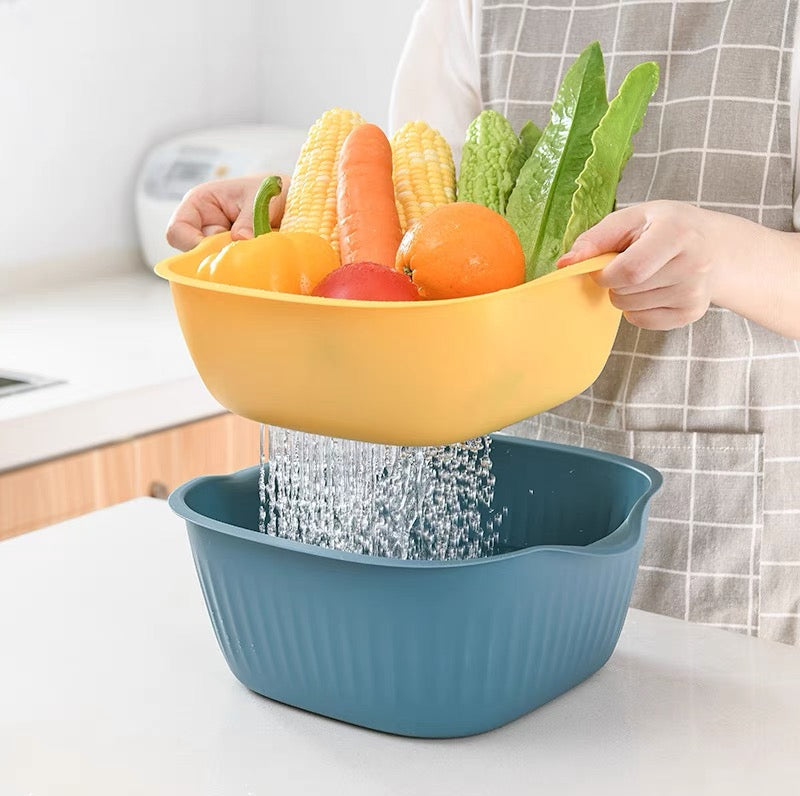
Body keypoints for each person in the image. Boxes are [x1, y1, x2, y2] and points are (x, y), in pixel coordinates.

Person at [166, 0, 800, 645]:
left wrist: (730, 257)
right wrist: (292, 208)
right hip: (485, 465)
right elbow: (407, 243)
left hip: (718, 513)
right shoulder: (470, 9)